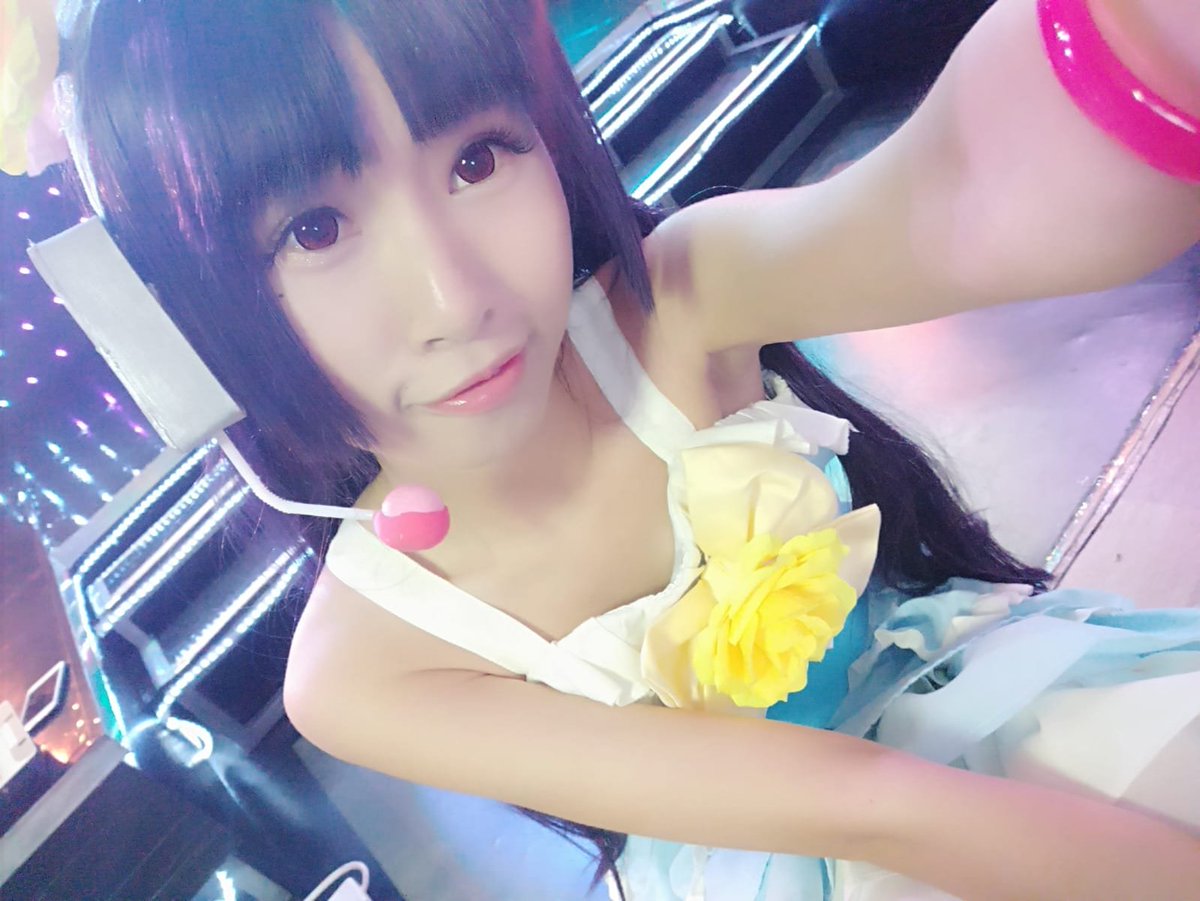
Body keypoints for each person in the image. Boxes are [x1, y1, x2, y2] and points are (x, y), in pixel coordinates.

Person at [36, 0, 1200, 897]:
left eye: (479, 157)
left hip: (990, 699)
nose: (456, 295)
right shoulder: (360, 670)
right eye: (316, 227)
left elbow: (960, 203)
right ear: (183, 322)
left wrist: (1139, 52)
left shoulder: (678, 300)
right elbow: (865, 807)